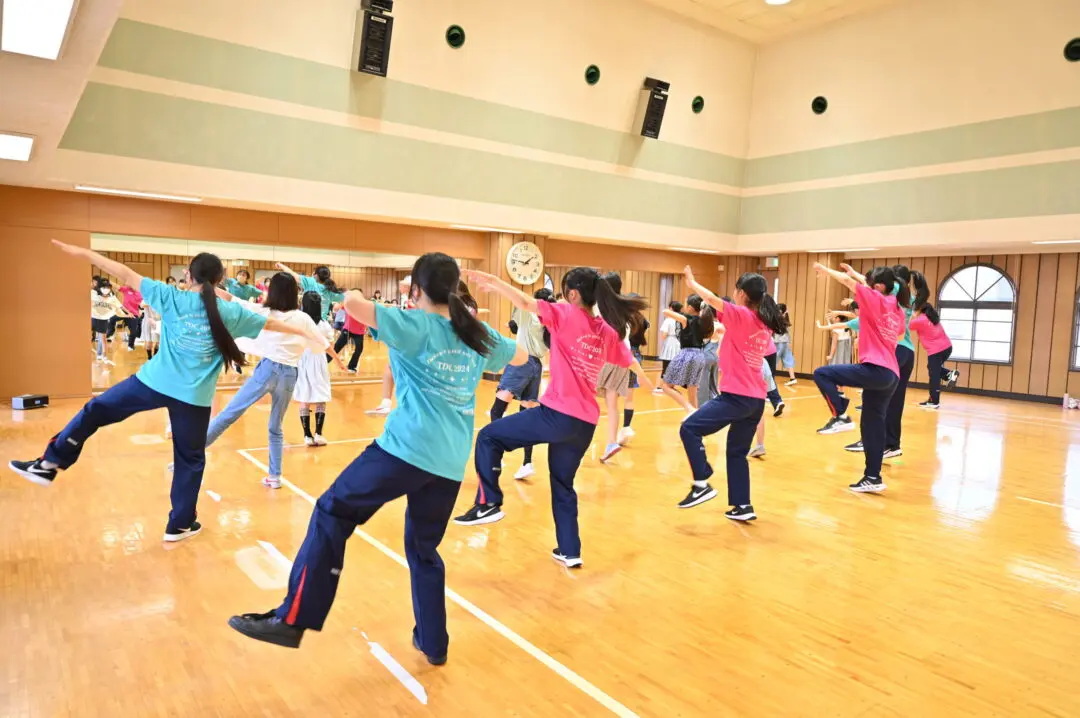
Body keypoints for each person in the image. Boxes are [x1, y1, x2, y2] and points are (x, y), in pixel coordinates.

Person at [227, 253, 523, 663]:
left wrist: (349, 290)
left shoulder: (413, 323)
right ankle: (434, 644)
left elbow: (352, 304)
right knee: (423, 550)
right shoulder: (476, 334)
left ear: (416, 290)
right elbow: (522, 356)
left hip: (404, 451)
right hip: (450, 462)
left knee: (332, 510)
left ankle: (293, 617)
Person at [9, 243, 316, 541]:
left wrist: (86, 254)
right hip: (193, 399)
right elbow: (271, 325)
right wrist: (303, 330)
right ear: (220, 279)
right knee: (189, 459)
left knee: (96, 410)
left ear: (189, 276)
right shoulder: (230, 313)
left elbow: (124, 273)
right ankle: (180, 525)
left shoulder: (170, 297)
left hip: (152, 384)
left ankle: (49, 463)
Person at [453, 267, 653, 568]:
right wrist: (654, 384)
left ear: (572, 294)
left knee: (488, 437)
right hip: (584, 424)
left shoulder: (564, 313)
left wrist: (495, 282)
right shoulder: (605, 331)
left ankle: (488, 503)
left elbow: (524, 302)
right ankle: (569, 550)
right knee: (563, 483)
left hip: (557, 414)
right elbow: (629, 361)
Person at [676, 268, 787, 519]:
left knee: (689, 428)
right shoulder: (763, 324)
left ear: (741, 293)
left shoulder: (740, 315)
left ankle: (701, 482)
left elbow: (715, 301)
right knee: (736, 453)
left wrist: (693, 283)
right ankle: (742, 506)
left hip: (736, 396)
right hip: (756, 400)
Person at [205, 273, 331, 488]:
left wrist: (206, 287)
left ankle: (187, 458)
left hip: (268, 370)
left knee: (229, 414)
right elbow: (321, 345)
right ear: (293, 294)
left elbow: (233, 299)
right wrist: (337, 361)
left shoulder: (264, 312)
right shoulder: (303, 318)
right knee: (275, 426)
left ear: (272, 291)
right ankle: (274, 477)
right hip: (290, 374)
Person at [811, 263, 907, 493]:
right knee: (872, 424)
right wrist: (857, 276)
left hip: (875, 368)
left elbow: (848, 283)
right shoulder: (897, 308)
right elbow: (900, 334)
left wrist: (827, 270)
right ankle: (872, 477)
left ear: (879, 286)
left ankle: (841, 414)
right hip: (891, 374)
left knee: (821, 373)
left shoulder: (876, 300)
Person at [490, 287, 556, 481]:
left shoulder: (529, 314)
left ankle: (496, 453)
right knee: (527, 415)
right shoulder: (549, 322)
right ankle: (527, 462)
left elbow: (519, 309)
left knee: (497, 410)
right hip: (537, 366)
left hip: (521, 361)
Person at [295, 291, 347, 446]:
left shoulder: (299, 322)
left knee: (305, 397)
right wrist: (338, 361)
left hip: (302, 361)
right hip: (319, 361)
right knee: (321, 397)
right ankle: (318, 433)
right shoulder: (324, 326)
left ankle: (307, 436)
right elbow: (329, 347)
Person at [658, 295, 714, 414]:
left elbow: (665, 311)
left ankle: (689, 408)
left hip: (687, 354)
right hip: (699, 355)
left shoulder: (686, 319)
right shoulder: (703, 321)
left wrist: (677, 312)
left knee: (666, 386)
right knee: (692, 392)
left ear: (689, 307)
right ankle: (694, 415)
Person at [910, 271, 958, 408]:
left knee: (934, 374)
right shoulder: (933, 319)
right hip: (946, 348)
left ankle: (934, 401)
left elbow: (905, 325)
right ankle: (949, 374)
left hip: (936, 351)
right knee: (933, 369)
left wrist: (910, 314)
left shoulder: (921, 320)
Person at [620, 296, 650, 446]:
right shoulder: (643, 320)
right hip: (636, 355)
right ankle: (626, 427)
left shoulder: (624, 319)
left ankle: (614, 433)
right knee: (629, 397)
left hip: (621, 354)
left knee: (611, 395)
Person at [276, 263, 345, 321]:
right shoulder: (329, 289)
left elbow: (292, 274)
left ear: (316, 275)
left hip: (307, 321)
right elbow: (344, 297)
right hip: (322, 323)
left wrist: (281, 265)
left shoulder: (310, 281)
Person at [90, 278, 130, 365]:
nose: (106, 289)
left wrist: (127, 314)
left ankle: (103, 356)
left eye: (107, 287)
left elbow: (119, 308)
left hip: (103, 319)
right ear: (99, 287)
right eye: (104, 287)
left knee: (103, 338)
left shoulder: (112, 298)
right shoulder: (93, 293)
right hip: (93, 317)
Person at [330, 290, 367, 374]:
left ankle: (351, 366)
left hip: (359, 332)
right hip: (347, 329)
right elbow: (335, 308)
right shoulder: (348, 304)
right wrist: (343, 300)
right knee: (336, 348)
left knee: (359, 349)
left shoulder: (365, 306)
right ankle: (324, 362)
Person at [657, 301, 682, 394]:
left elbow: (663, 335)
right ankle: (671, 386)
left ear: (671, 308)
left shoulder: (668, 320)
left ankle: (661, 386)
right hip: (679, 343)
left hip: (670, 343)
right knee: (675, 365)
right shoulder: (681, 319)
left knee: (666, 365)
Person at [774, 303, 797, 386]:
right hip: (785, 342)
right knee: (788, 359)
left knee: (773, 361)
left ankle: (770, 379)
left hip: (778, 343)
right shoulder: (786, 318)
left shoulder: (777, 319)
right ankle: (792, 378)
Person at [116, 283, 143, 352]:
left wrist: (140, 312)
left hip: (134, 314)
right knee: (112, 318)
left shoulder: (139, 294)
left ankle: (130, 346)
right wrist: (108, 282)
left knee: (133, 331)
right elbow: (118, 286)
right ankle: (109, 334)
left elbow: (141, 304)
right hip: (124, 311)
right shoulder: (126, 289)